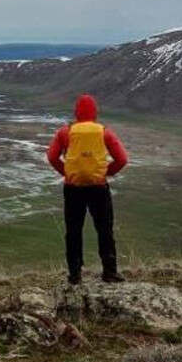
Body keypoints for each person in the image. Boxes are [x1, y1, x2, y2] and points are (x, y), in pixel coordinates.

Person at [46, 94, 129, 285]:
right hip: (98, 188)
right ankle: (110, 272)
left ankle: (75, 275)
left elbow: (52, 157)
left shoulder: (65, 132)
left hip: (73, 189)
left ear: (76, 112)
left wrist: (67, 173)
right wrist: (104, 174)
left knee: (73, 231)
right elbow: (122, 159)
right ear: (95, 113)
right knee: (104, 229)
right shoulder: (104, 132)